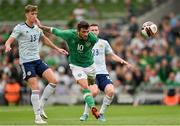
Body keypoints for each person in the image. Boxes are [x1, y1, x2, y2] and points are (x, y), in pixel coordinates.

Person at [5, 5, 68, 124]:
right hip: (27, 62)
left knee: (54, 80)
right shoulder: (20, 27)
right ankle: (37, 117)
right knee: (36, 88)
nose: (34, 16)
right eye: (32, 14)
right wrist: (8, 45)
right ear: (26, 15)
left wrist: (57, 48)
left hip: (37, 60)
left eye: (36, 14)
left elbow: (45, 40)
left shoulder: (37, 28)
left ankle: (41, 105)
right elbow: (9, 40)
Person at [36, 19, 100, 119]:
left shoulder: (93, 39)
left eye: (87, 31)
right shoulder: (69, 34)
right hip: (76, 66)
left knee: (93, 89)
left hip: (90, 66)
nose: (86, 34)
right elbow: (55, 31)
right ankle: (93, 108)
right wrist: (41, 27)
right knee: (84, 86)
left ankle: (87, 110)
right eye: (83, 32)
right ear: (77, 30)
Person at [79, 24, 133, 122]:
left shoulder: (103, 43)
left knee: (111, 91)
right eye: (92, 30)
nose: (94, 31)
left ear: (98, 31)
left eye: (96, 30)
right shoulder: (83, 43)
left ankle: (101, 114)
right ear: (88, 32)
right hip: (91, 73)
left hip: (103, 73)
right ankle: (85, 114)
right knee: (94, 92)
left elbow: (112, 55)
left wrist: (123, 61)